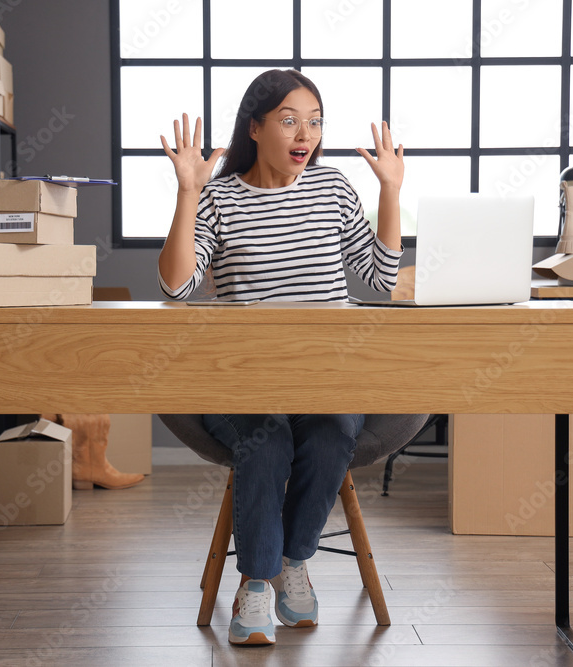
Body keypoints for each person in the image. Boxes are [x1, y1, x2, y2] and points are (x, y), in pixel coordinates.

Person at [158, 69, 404, 646]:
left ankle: (294, 564)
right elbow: (176, 287)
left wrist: (390, 189)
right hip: (246, 388)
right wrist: (189, 192)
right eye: (290, 120)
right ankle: (257, 584)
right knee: (265, 442)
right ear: (255, 126)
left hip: (327, 383)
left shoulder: (334, 188)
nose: (306, 134)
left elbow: (380, 278)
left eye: (315, 122)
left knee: (330, 432)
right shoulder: (219, 198)